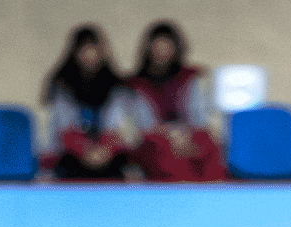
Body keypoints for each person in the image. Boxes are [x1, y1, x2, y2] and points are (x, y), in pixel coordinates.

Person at [126, 20, 227, 182]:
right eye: (158, 48)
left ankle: (213, 191)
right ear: (148, 50)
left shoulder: (190, 77)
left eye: (167, 48)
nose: (162, 53)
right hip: (156, 138)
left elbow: (199, 116)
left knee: (209, 143)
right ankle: (182, 195)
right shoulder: (136, 84)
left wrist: (187, 136)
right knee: (161, 149)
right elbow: (142, 124)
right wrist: (172, 135)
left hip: (189, 134)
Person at [40, 24, 131, 181]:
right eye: (84, 51)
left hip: (108, 155)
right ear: (75, 53)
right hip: (71, 155)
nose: (90, 56)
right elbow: (62, 128)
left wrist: (105, 150)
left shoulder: (116, 86)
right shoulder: (61, 85)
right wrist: (84, 150)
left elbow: (118, 127)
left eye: (94, 50)